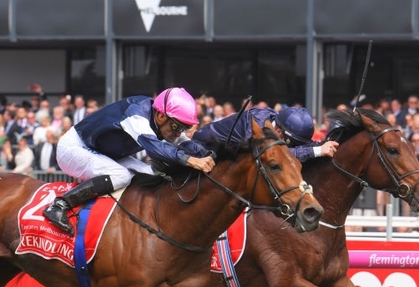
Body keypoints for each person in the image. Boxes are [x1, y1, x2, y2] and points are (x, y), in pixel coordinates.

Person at [43, 87, 214, 235]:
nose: (179, 133)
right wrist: (190, 160)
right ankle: (60, 205)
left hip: (105, 151)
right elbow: (153, 147)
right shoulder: (136, 113)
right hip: (74, 147)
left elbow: (186, 144)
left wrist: (211, 155)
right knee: (121, 175)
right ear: (161, 116)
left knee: (153, 174)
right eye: (177, 127)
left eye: (185, 128)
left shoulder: (164, 120)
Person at [191, 106, 338, 164]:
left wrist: (324, 145)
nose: (291, 146)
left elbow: (302, 145)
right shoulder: (258, 125)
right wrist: (316, 151)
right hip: (203, 148)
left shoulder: (278, 123)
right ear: (279, 132)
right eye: (290, 143)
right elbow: (271, 154)